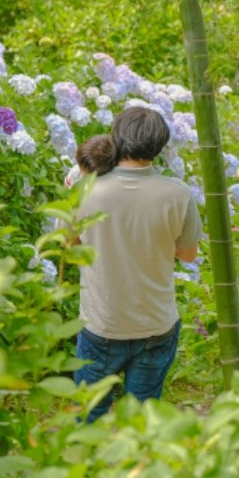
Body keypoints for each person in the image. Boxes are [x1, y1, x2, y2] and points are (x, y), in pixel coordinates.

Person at [73, 107, 203, 422]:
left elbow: (69, 246)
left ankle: (86, 467)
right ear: (158, 147)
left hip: (101, 323)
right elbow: (187, 255)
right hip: (155, 323)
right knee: (143, 419)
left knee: (89, 414)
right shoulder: (178, 194)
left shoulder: (86, 190)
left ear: (117, 139)